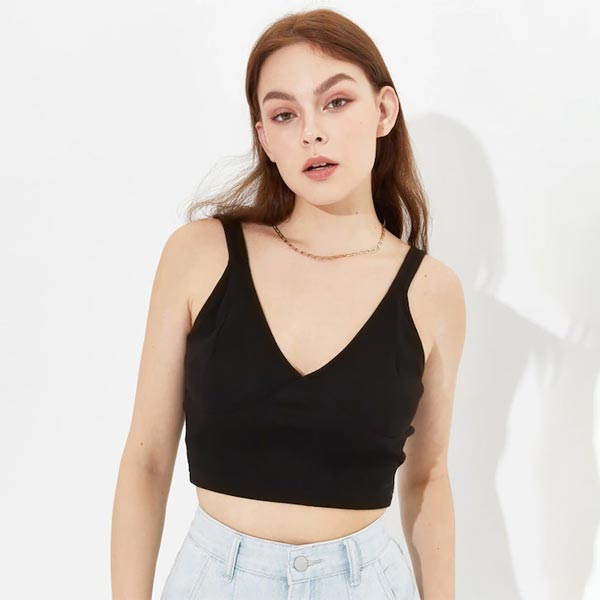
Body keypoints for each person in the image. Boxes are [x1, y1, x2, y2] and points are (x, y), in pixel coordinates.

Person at [111, 8, 465, 600]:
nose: (311, 133)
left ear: (384, 110)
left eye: (335, 102)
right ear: (264, 139)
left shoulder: (433, 290)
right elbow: (146, 462)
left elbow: (428, 477)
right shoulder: (199, 255)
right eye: (284, 114)